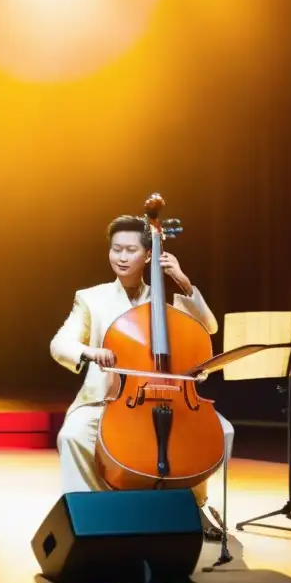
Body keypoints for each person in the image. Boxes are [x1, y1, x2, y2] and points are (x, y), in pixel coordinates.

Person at [49, 215, 231, 539]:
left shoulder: (168, 301)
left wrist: (184, 283)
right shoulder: (91, 298)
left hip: (170, 398)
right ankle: (89, 513)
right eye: (116, 249)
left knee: (221, 431)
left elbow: (210, 327)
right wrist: (91, 353)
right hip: (109, 401)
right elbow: (59, 344)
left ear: (148, 254)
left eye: (130, 250)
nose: (121, 257)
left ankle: (192, 508)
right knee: (72, 435)